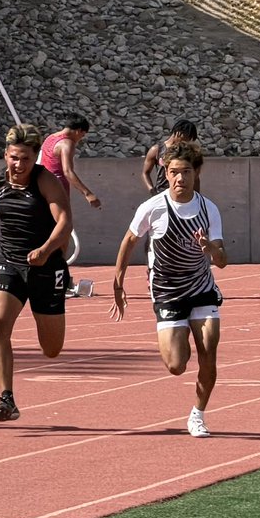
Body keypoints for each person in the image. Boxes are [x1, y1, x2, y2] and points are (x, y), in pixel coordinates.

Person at [108, 141, 226, 438]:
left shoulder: (208, 209)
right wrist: (118, 282)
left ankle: (198, 415)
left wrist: (208, 247)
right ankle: (179, 331)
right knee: (176, 365)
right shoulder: (153, 207)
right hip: (168, 292)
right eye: (174, 172)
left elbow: (222, 261)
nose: (180, 179)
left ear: (196, 173)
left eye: (186, 172)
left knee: (209, 351)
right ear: (166, 172)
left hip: (201, 287)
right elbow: (129, 242)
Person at [0, 124, 72, 422]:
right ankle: (7, 398)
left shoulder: (46, 182)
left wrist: (47, 250)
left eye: (25, 159)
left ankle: (52, 314)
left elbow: (65, 222)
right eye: (14, 158)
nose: (18, 165)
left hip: (47, 268)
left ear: (35, 158)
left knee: (51, 349)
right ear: (5, 155)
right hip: (9, 264)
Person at [39, 113, 101, 210]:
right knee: (61, 220)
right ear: (78, 131)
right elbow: (67, 171)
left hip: (42, 186)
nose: (80, 139)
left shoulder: (50, 138)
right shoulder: (67, 144)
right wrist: (87, 193)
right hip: (57, 188)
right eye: (82, 135)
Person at [142, 119, 200, 196]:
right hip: (162, 194)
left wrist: (197, 196)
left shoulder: (188, 153)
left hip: (182, 194)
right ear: (177, 133)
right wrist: (152, 190)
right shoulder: (157, 150)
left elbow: (195, 177)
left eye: (189, 139)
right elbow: (145, 173)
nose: (186, 141)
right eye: (185, 137)